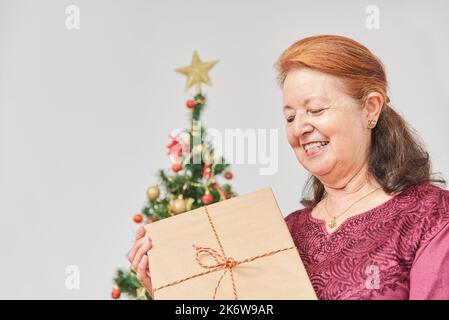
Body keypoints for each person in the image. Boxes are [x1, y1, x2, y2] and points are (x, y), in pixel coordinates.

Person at [128, 35, 449, 300]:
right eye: (291, 117)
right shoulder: (283, 232)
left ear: (370, 108)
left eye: (316, 109)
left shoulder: (430, 216)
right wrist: (178, 290)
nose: (301, 127)